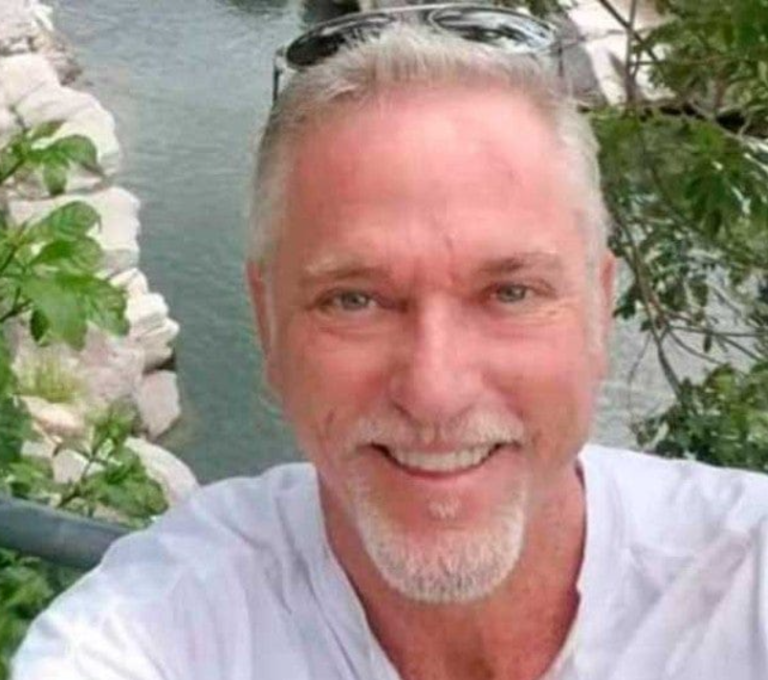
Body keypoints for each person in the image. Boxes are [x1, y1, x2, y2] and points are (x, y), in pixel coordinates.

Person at [12, 14, 768, 680]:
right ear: (268, 322)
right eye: (355, 300)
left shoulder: (742, 583)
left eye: (511, 293)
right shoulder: (161, 630)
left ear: (601, 309)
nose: (435, 392)